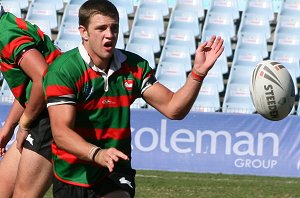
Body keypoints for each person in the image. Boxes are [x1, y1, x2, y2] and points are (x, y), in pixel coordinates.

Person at [43, 0, 224, 197]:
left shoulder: (134, 67)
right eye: (101, 28)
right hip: (72, 175)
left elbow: (173, 108)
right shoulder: (64, 70)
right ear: (83, 32)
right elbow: (61, 133)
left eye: (114, 28)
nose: (109, 35)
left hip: (114, 171)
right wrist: (97, 153)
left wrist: (197, 73)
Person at [0, 5, 62, 197]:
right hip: (44, 111)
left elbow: (43, 78)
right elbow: (31, 87)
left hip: (52, 114)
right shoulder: (7, 24)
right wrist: (9, 126)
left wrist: (24, 124)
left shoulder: (7, 34)